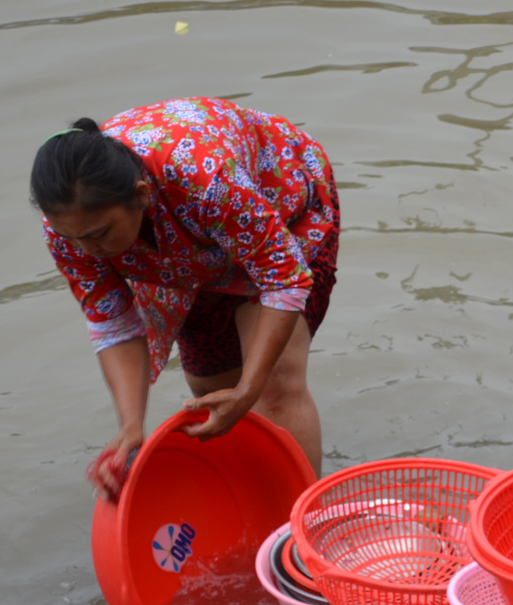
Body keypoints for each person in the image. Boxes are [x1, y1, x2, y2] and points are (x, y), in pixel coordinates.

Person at [30, 97, 339, 499]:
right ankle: (251, 512)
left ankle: (298, 533)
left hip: (281, 207)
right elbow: (114, 320)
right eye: (72, 238)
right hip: (189, 252)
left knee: (274, 383)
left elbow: (282, 278)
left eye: (99, 234)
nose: (86, 252)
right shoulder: (69, 230)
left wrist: (250, 388)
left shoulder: (204, 179)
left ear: (141, 195)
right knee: (212, 395)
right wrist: (130, 426)